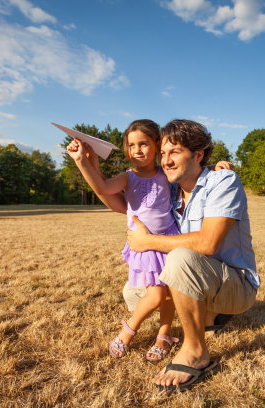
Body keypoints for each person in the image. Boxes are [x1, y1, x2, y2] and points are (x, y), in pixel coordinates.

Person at [122, 119, 260, 392]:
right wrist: (83, 161)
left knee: (179, 258)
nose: (166, 161)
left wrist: (147, 241)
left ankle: (196, 351)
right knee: (135, 294)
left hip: (237, 285)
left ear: (198, 154)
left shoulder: (223, 181)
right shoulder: (171, 188)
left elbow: (207, 244)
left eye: (174, 152)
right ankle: (212, 315)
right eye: (162, 153)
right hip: (206, 279)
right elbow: (115, 196)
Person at [66, 119, 180, 362]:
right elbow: (103, 187)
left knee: (169, 292)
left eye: (144, 144)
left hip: (169, 239)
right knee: (157, 295)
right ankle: (128, 331)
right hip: (144, 245)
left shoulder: (166, 172)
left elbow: (191, 168)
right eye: (131, 145)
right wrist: (82, 162)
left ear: (157, 144)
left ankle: (164, 335)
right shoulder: (128, 177)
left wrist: (216, 167)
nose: (137, 150)